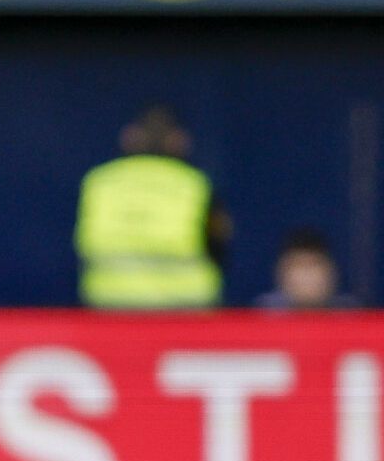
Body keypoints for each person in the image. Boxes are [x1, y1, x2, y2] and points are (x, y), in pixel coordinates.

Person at [75, 103, 230, 310]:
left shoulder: (100, 182)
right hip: (185, 309)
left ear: (129, 137)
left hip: (111, 307)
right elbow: (219, 241)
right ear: (178, 140)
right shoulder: (194, 184)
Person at [257, 227, 356, 309]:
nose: (306, 274)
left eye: (314, 264)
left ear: (331, 271)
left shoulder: (350, 316)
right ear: (281, 272)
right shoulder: (262, 315)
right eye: (298, 265)